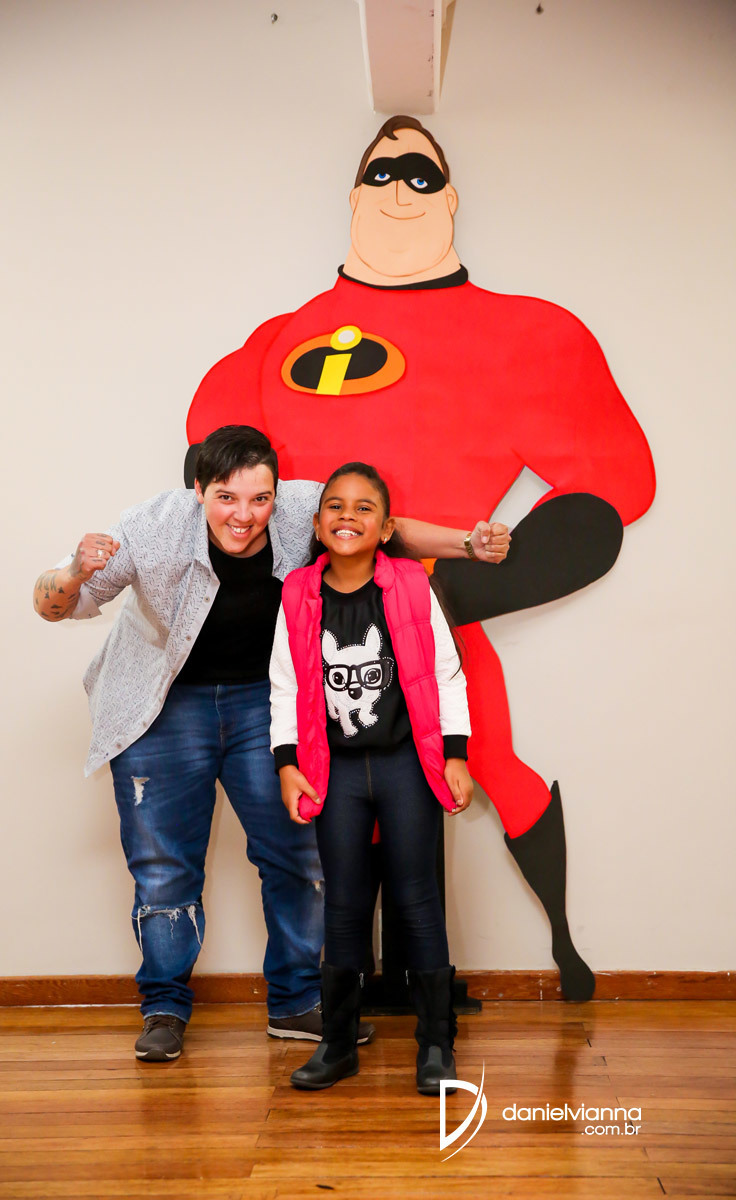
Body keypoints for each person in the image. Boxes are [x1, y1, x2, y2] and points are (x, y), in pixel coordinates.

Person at [186, 116, 656, 1002]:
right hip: (327, 617)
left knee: (485, 768)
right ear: (354, 195)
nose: (400, 188)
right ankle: (361, 980)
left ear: (450, 197)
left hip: (437, 607)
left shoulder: (529, 333)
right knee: (341, 783)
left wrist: (459, 586)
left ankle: (539, 949)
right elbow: (219, 474)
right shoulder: (278, 342)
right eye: (382, 172)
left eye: (421, 173)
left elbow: (610, 488)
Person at [33, 425, 509, 1062]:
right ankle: (164, 1008)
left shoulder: (298, 507)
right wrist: (73, 570)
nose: (245, 515)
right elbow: (53, 605)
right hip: (163, 705)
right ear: (198, 490)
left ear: (277, 494)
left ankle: (296, 1001)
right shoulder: (150, 527)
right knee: (165, 867)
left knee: (297, 855)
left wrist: (467, 544)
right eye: (227, 498)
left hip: (264, 700)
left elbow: (384, 527)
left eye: (260, 499)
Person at [269, 462, 473, 1094]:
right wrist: (287, 764)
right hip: (334, 772)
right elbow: (284, 684)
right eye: (335, 506)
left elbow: (446, 673)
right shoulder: (298, 592)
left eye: (364, 508)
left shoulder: (411, 585)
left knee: (417, 898)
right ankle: (337, 1044)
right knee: (345, 903)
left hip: (406, 764)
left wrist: (456, 754)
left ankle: (435, 1043)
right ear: (317, 523)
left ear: (386, 528)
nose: (347, 516)